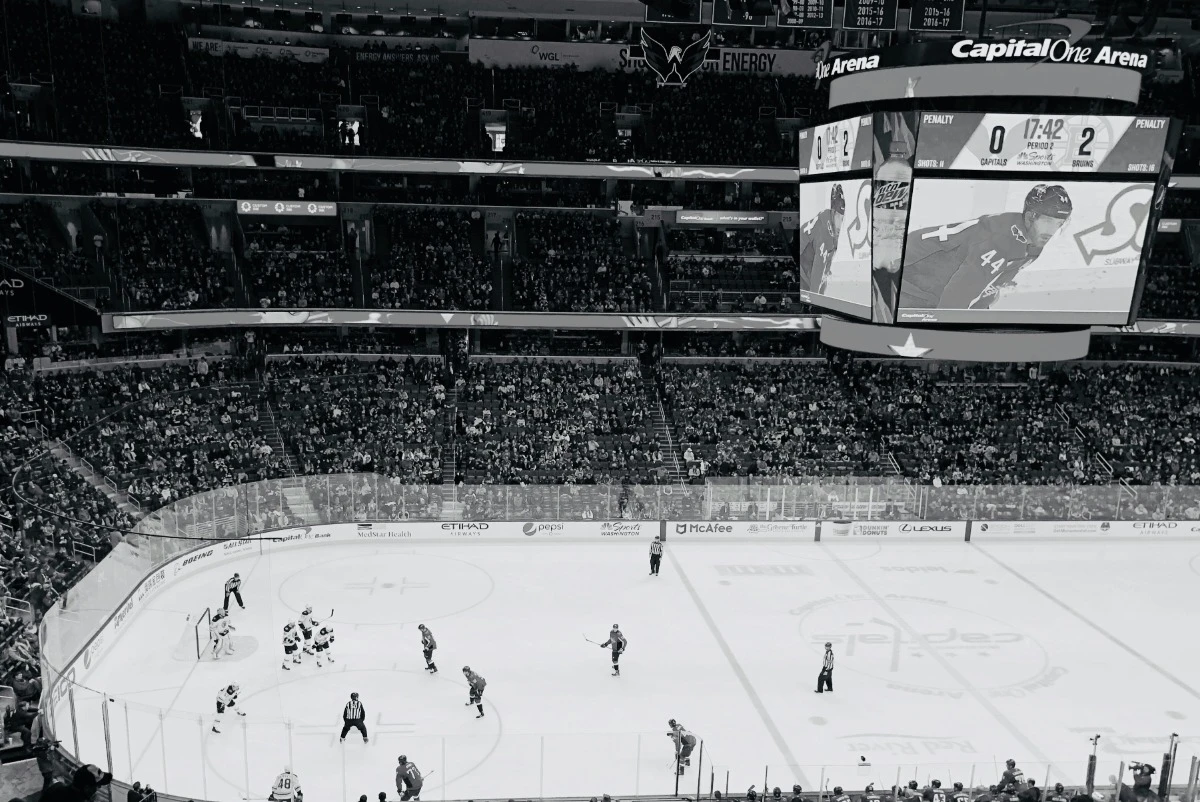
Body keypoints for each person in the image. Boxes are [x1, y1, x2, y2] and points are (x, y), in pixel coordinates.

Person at [899, 184, 1072, 311]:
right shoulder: (999, 242)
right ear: (1030, 217)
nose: (1052, 230)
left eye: (1059, 223)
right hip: (907, 272)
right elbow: (956, 298)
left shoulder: (1033, 242)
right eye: (1048, 221)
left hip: (928, 281)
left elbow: (987, 287)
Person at [796, 182, 845, 295]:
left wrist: (827, 270)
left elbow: (827, 256)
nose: (840, 222)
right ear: (833, 212)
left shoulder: (828, 218)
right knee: (816, 292)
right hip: (804, 268)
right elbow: (818, 268)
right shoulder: (824, 232)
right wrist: (815, 298)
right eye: (838, 217)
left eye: (842, 218)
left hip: (808, 258)